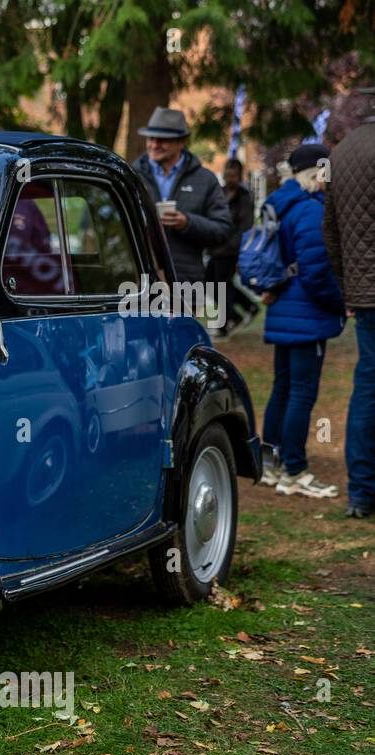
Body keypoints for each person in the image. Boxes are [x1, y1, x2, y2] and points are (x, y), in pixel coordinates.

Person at [259, 144, 345, 498]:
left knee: (283, 386)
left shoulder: (279, 204)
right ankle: (294, 470)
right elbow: (316, 272)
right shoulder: (309, 211)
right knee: (301, 392)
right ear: (316, 173)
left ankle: (271, 461)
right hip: (306, 312)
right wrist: (341, 303)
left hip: (283, 307)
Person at [323, 83, 375, 518]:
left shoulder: (340, 154)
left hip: (364, 293)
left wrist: (350, 289)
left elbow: (331, 233)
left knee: (367, 388)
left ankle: (361, 492)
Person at [131, 107, 232, 288]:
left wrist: (187, 223)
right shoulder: (131, 175)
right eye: (151, 138)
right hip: (138, 284)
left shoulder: (205, 180)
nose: (154, 145)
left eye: (162, 140)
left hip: (187, 284)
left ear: (181, 142)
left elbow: (223, 230)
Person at [206, 158, 255, 336]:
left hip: (230, 250)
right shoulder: (219, 193)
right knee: (210, 282)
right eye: (227, 173)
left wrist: (229, 245)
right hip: (215, 246)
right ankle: (247, 307)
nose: (229, 177)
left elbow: (245, 227)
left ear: (239, 176)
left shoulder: (244, 197)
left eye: (233, 174)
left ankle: (224, 323)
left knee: (221, 285)